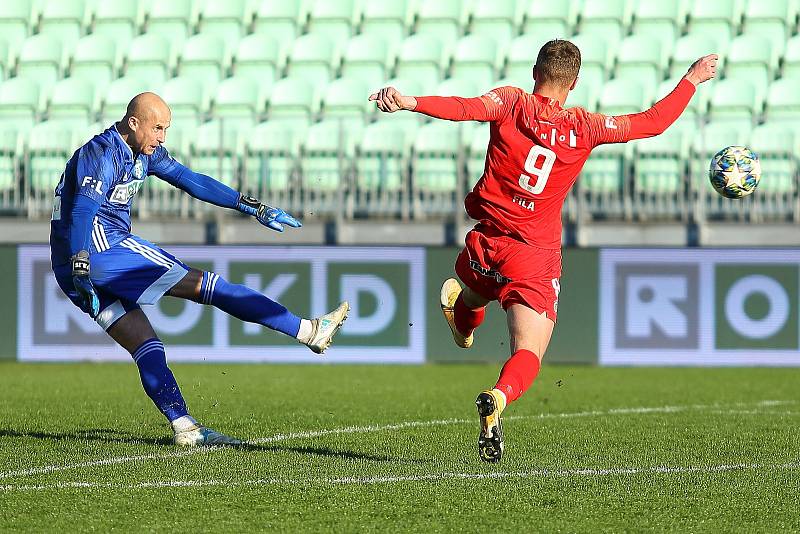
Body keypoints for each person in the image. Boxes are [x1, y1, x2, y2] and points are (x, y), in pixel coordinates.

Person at [370, 40, 717, 462]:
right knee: (527, 350)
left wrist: (409, 101)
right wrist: (691, 80)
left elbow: (463, 107)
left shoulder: (511, 102)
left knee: (473, 294)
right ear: (574, 83)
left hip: (487, 241)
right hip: (533, 253)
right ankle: (498, 397)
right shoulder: (586, 126)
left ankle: (463, 325)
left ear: (535, 71)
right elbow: (651, 123)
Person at [50, 92, 350, 446]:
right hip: (99, 249)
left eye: (166, 129)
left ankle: (185, 429)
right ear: (134, 122)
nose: (162, 137)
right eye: (158, 128)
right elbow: (83, 212)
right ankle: (307, 331)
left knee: (145, 344)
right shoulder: (102, 153)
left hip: (71, 265)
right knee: (208, 286)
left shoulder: (142, 153)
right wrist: (84, 263)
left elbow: (190, 180)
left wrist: (250, 205)